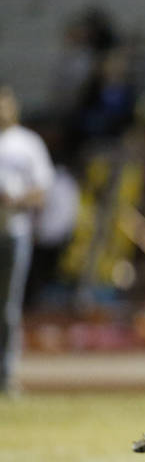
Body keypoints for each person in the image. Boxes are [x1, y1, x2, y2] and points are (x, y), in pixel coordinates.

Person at [0, 84, 56, 396]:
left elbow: (42, 188)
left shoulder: (27, 143)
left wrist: (15, 199)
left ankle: (6, 375)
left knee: (8, 306)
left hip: (13, 230)